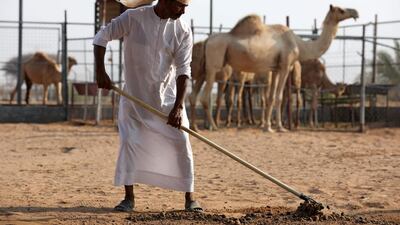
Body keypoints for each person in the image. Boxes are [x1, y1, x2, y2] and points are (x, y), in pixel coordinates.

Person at [93, 0, 202, 212]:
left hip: (168, 101)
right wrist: (100, 71)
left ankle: (190, 199)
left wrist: (178, 107)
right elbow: (101, 38)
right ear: (166, 1)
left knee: (181, 142)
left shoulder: (182, 30)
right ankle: (129, 199)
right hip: (134, 100)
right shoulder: (133, 18)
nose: (184, 10)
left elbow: (183, 70)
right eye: (180, 5)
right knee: (130, 142)